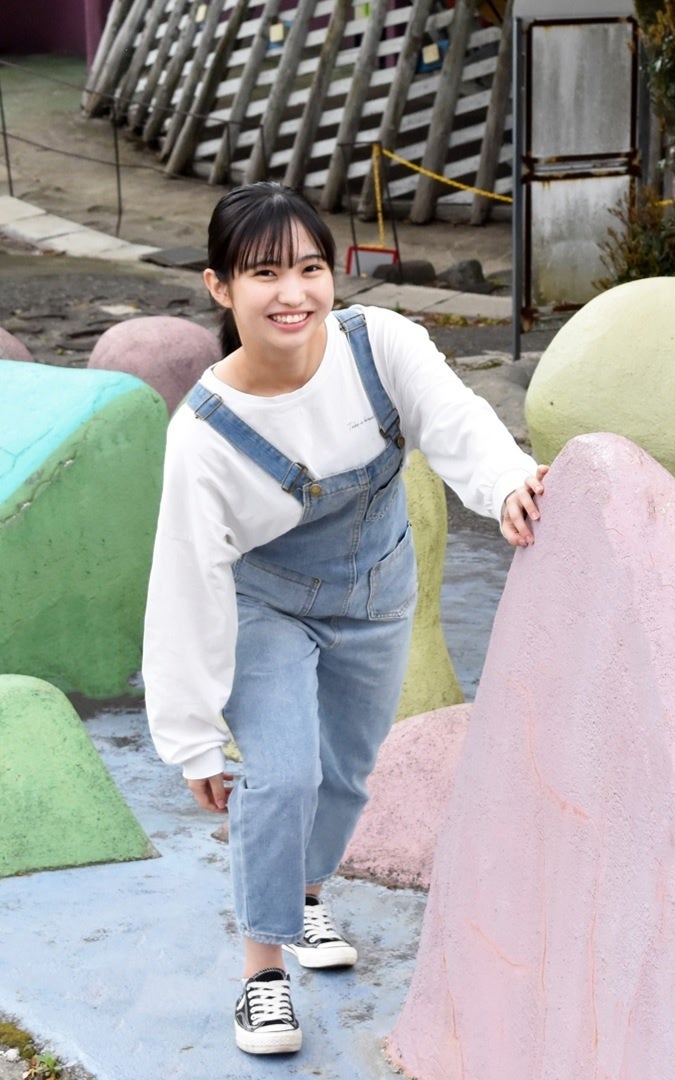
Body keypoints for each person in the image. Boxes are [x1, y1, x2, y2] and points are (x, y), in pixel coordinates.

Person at [142, 182, 546, 1054]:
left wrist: (509, 481)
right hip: (267, 603)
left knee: (345, 776)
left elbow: (455, 422)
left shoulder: (379, 345)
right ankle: (262, 975)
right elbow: (185, 582)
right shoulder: (205, 433)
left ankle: (306, 897)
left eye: (310, 268)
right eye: (264, 274)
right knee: (281, 775)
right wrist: (192, 737)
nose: (293, 294)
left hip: (377, 591)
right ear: (220, 286)